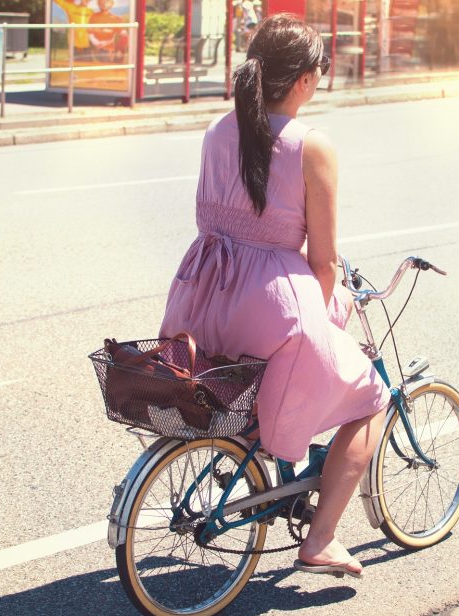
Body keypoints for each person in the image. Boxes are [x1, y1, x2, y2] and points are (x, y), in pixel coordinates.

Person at [159, 14, 387, 579]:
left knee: (267, 374)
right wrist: (331, 319)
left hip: (201, 299)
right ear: (306, 80)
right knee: (368, 396)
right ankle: (322, 539)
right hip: (272, 309)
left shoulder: (217, 130)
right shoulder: (311, 146)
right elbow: (323, 260)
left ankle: (267, 455)